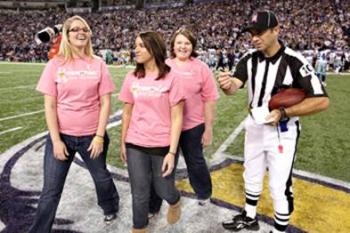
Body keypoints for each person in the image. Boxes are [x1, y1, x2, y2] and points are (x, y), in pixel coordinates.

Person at [218, 11, 329, 233]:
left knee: (279, 185)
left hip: (282, 130)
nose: (254, 38)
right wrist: (226, 84)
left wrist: (284, 112)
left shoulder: (295, 61)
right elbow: (233, 88)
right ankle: (249, 216)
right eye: (251, 33)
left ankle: (279, 230)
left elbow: (322, 100)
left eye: (259, 33)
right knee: (250, 174)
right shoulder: (249, 59)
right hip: (255, 125)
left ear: (276, 30)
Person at [28, 15, 119, 233]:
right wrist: (57, 140)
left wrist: (98, 136)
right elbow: (50, 106)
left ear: (89, 34)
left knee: (102, 178)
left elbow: (105, 102)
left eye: (85, 29)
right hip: (62, 137)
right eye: (75, 29)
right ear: (66, 35)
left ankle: (110, 205)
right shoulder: (54, 64)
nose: (81, 32)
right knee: (50, 190)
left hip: (92, 137)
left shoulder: (98, 63)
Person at [119, 31, 184, 233]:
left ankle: (174, 201)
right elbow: (127, 112)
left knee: (163, 189)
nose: (135, 50)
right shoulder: (132, 77)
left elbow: (177, 117)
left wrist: (172, 152)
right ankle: (139, 228)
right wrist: (123, 142)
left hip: (162, 145)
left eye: (141, 46)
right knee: (139, 192)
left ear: (153, 48)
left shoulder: (172, 77)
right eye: (135, 45)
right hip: (135, 142)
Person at [148, 27, 219, 215]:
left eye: (187, 43)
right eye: (179, 42)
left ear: (193, 46)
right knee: (160, 164)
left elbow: (210, 99)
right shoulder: (163, 65)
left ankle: (204, 193)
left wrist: (208, 128)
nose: (183, 46)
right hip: (166, 126)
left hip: (192, 126)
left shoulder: (201, 68)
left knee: (195, 162)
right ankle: (154, 203)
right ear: (173, 45)